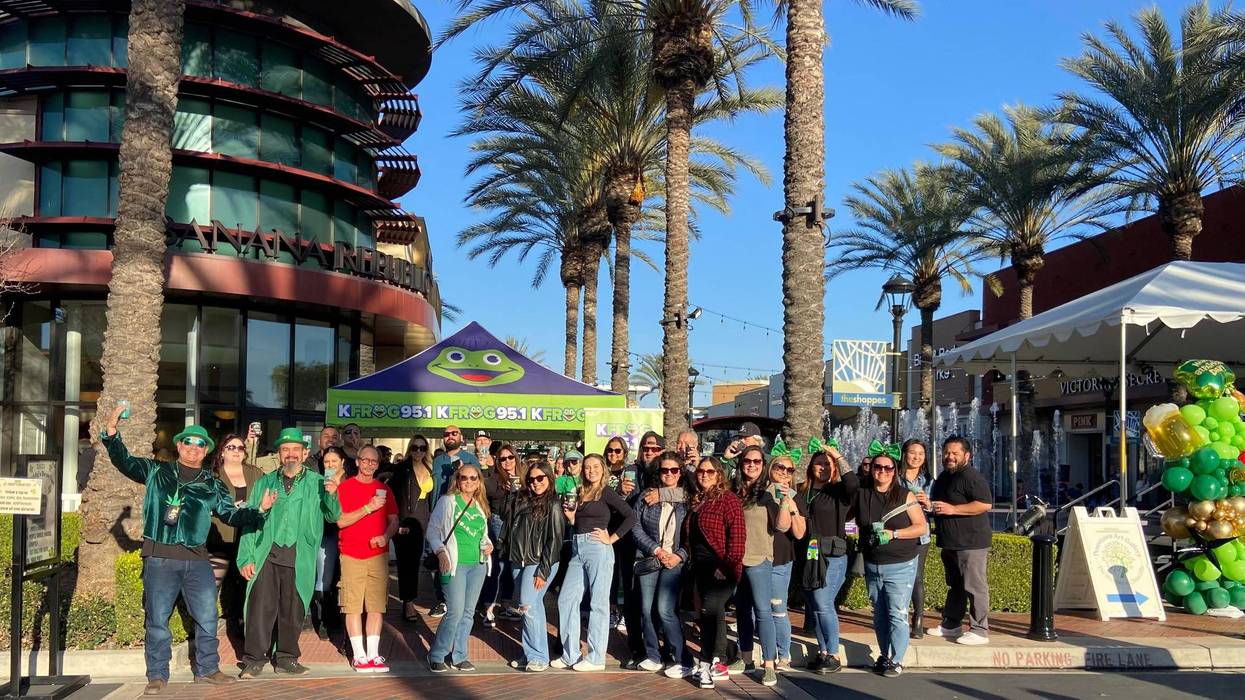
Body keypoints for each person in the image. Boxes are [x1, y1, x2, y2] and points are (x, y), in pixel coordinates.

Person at [102, 407, 275, 695]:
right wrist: (111, 432)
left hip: (197, 560)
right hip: (160, 558)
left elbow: (230, 514)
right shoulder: (157, 470)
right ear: (179, 445)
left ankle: (207, 670)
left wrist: (259, 511)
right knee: (158, 620)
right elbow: (124, 462)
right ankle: (157, 675)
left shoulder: (211, 482)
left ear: (207, 450)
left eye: (200, 444)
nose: (194, 448)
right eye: (188, 442)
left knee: (207, 617)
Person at [237, 428, 341, 678]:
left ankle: (286, 657)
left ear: (305, 453)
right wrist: (245, 557)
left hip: (299, 555)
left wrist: (332, 494)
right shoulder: (265, 481)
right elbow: (249, 520)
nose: (291, 454)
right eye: (285, 450)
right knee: (260, 608)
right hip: (267, 554)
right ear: (279, 454)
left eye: (296, 449)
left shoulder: (318, 482)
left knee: (293, 610)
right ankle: (253, 659)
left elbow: (332, 515)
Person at [557, 453, 636, 671]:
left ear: (603, 470)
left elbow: (630, 516)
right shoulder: (581, 491)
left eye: (595, 467)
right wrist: (572, 518)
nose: (591, 471)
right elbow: (577, 523)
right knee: (566, 600)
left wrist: (611, 538)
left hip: (598, 548)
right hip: (577, 547)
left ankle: (596, 657)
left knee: (598, 604)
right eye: (587, 467)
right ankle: (570, 654)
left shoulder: (606, 492)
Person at [854, 448, 928, 677]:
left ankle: (897, 660)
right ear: (871, 469)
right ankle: (885, 655)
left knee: (897, 613)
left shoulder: (904, 495)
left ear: (895, 471)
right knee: (879, 613)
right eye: (878, 467)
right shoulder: (862, 493)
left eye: (888, 468)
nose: (883, 472)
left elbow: (921, 527)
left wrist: (893, 534)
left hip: (901, 563)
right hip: (873, 563)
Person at [730, 446, 793, 687]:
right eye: (748, 461)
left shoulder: (771, 491)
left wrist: (786, 501)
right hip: (736, 559)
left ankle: (768, 664)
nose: (752, 465)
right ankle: (746, 658)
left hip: (759, 559)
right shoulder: (734, 489)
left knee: (763, 612)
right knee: (743, 611)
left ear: (763, 464)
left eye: (757, 461)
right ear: (742, 463)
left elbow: (782, 527)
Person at [426, 463, 494, 672]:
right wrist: (440, 552)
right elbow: (432, 531)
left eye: (474, 478)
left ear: (479, 481)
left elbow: (482, 534)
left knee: (467, 613)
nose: (469, 482)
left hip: (478, 564)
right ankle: (437, 654)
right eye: (464, 478)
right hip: (455, 564)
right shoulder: (447, 502)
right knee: (454, 611)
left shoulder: (480, 504)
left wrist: (488, 545)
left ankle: (459, 655)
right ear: (457, 479)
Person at [335, 446, 398, 672]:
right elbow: (340, 521)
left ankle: (373, 653)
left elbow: (394, 520)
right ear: (358, 461)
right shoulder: (345, 488)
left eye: (374, 462)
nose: (370, 465)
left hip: (378, 557)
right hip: (352, 554)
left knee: (376, 606)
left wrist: (386, 536)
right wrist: (368, 507)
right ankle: (359, 655)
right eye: (366, 460)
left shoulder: (384, 490)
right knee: (352, 605)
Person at [684, 456, 744, 689]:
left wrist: (726, 567)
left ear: (719, 474)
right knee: (713, 613)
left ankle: (707, 663)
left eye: (710, 472)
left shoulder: (728, 500)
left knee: (710, 611)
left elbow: (738, 538)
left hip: (721, 567)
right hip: (700, 568)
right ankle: (721, 658)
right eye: (701, 472)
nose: (704, 475)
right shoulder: (698, 499)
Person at [632, 452, 694, 678]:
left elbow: (693, 534)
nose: (669, 474)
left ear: (681, 472)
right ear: (657, 473)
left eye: (674, 470)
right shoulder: (646, 497)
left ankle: (682, 658)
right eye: (664, 470)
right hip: (651, 557)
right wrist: (655, 550)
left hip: (675, 560)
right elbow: (635, 527)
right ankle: (653, 655)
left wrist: (679, 555)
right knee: (646, 609)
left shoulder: (688, 499)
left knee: (665, 609)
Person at [927, 436, 994, 646]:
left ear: (967, 455)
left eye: (955, 453)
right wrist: (928, 505)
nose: (950, 457)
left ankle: (980, 629)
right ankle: (952, 624)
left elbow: (985, 504)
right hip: (950, 541)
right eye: (947, 453)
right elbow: (940, 505)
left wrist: (954, 509)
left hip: (971, 541)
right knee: (955, 585)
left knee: (974, 586)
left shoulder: (971, 477)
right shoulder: (944, 477)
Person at [503, 460, 564, 672]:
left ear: (549, 478)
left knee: (526, 605)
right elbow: (506, 519)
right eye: (531, 479)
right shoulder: (522, 499)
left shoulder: (554, 504)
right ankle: (531, 654)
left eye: (540, 478)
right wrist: (512, 494)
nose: (536, 483)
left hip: (539, 561)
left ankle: (537, 656)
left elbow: (555, 540)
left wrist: (543, 570)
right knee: (532, 607)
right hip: (518, 560)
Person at [799, 444, 855, 674]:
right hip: (810, 555)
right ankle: (823, 651)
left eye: (826, 464)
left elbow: (854, 483)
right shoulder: (803, 491)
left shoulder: (838, 492)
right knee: (816, 605)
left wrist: (838, 455)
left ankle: (833, 653)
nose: (822, 468)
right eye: (818, 463)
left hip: (832, 555)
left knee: (823, 603)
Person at [207, 433, 263, 637]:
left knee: (245, 588)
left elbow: (266, 498)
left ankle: (243, 629)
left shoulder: (255, 473)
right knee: (210, 588)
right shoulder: (213, 475)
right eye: (231, 447)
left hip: (247, 540)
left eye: (240, 448)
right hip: (220, 539)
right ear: (222, 451)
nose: (236, 451)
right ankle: (206, 631)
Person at [767, 454, 806, 672]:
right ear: (771, 468)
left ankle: (783, 654)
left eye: (789, 470)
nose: (784, 472)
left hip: (780, 560)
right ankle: (766, 652)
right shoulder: (760, 494)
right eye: (780, 467)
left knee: (778, 608)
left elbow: (799, 533)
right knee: (756, 608)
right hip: (756, 558)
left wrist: (789, 504)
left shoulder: (794, 497)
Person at [391, 437, 435, 621]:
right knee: (405, 564)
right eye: (415, 447)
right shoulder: (402, 469)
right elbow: (393, 495)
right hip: (405, 521)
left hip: (423, 521)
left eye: (422, 448)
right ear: (410, 449)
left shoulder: (431, 469)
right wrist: (397, 524)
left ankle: (410, 599)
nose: (418, 451)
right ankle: (408, 604)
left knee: (414, 563)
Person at [481, 443, 522, 627]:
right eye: (502, 458)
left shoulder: (523, 477)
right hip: (499, 522)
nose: (507, 461)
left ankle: (505, 604)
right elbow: (480, 492)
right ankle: (488, 609)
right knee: (497, 566)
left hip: (518, 524)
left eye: (510, 457)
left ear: (516, 458)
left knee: (510, 565)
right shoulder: (494, 479)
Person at [311, 447, 348, 640]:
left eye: (334, 461)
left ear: (342, 461)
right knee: (324, 577)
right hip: (326, 534)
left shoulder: (350, 481)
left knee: (343, 578)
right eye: (327, 462)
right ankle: (324, 620)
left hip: (348, 535)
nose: (331, 465)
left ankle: (340, 620)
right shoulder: (321, 481)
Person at [898, 439, 933, 638]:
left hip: (920, 535)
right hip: (899, 532)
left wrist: (927, 503)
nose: (916, 457)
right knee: (898, 578)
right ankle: (898, 616)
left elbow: (935, 508)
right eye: (912, 452)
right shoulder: (895, 477)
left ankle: (918, 619)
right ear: (904, 454)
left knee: (917, 576)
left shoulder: (928, 480)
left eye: (921, 453)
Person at [432, 425, 481, 501]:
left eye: (454, 433)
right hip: (438, 508)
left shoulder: (471, 459)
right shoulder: (436, 461)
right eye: (446, 435)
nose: (450, 436)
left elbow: (479, 487)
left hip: (462, 509)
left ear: (461, 437)